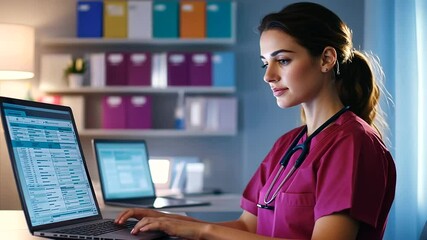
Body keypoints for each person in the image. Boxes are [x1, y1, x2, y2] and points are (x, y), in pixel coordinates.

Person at [114, 2, 396, 239]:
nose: (268, 75)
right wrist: (172, 223)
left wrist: (203, 231)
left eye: (282, 60)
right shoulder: (289, 144)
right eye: (265, 63)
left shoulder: (352, 142)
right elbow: (248, 226)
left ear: (326, 59)